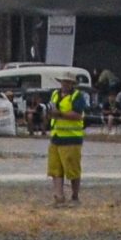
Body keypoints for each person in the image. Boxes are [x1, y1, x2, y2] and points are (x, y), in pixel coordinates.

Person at [46, 77, 91, 206]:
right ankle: (59, 197)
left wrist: (59, 113)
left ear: (72, 84)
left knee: (73, 169)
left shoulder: (77, 96)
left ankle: (75, 197)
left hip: (71, 138)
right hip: (56, 137)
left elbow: (78, 115)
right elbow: (51, 110)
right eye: (63, 82)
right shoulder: (55, 94)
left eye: (68, 82)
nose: (65, 84)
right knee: (55, 169)